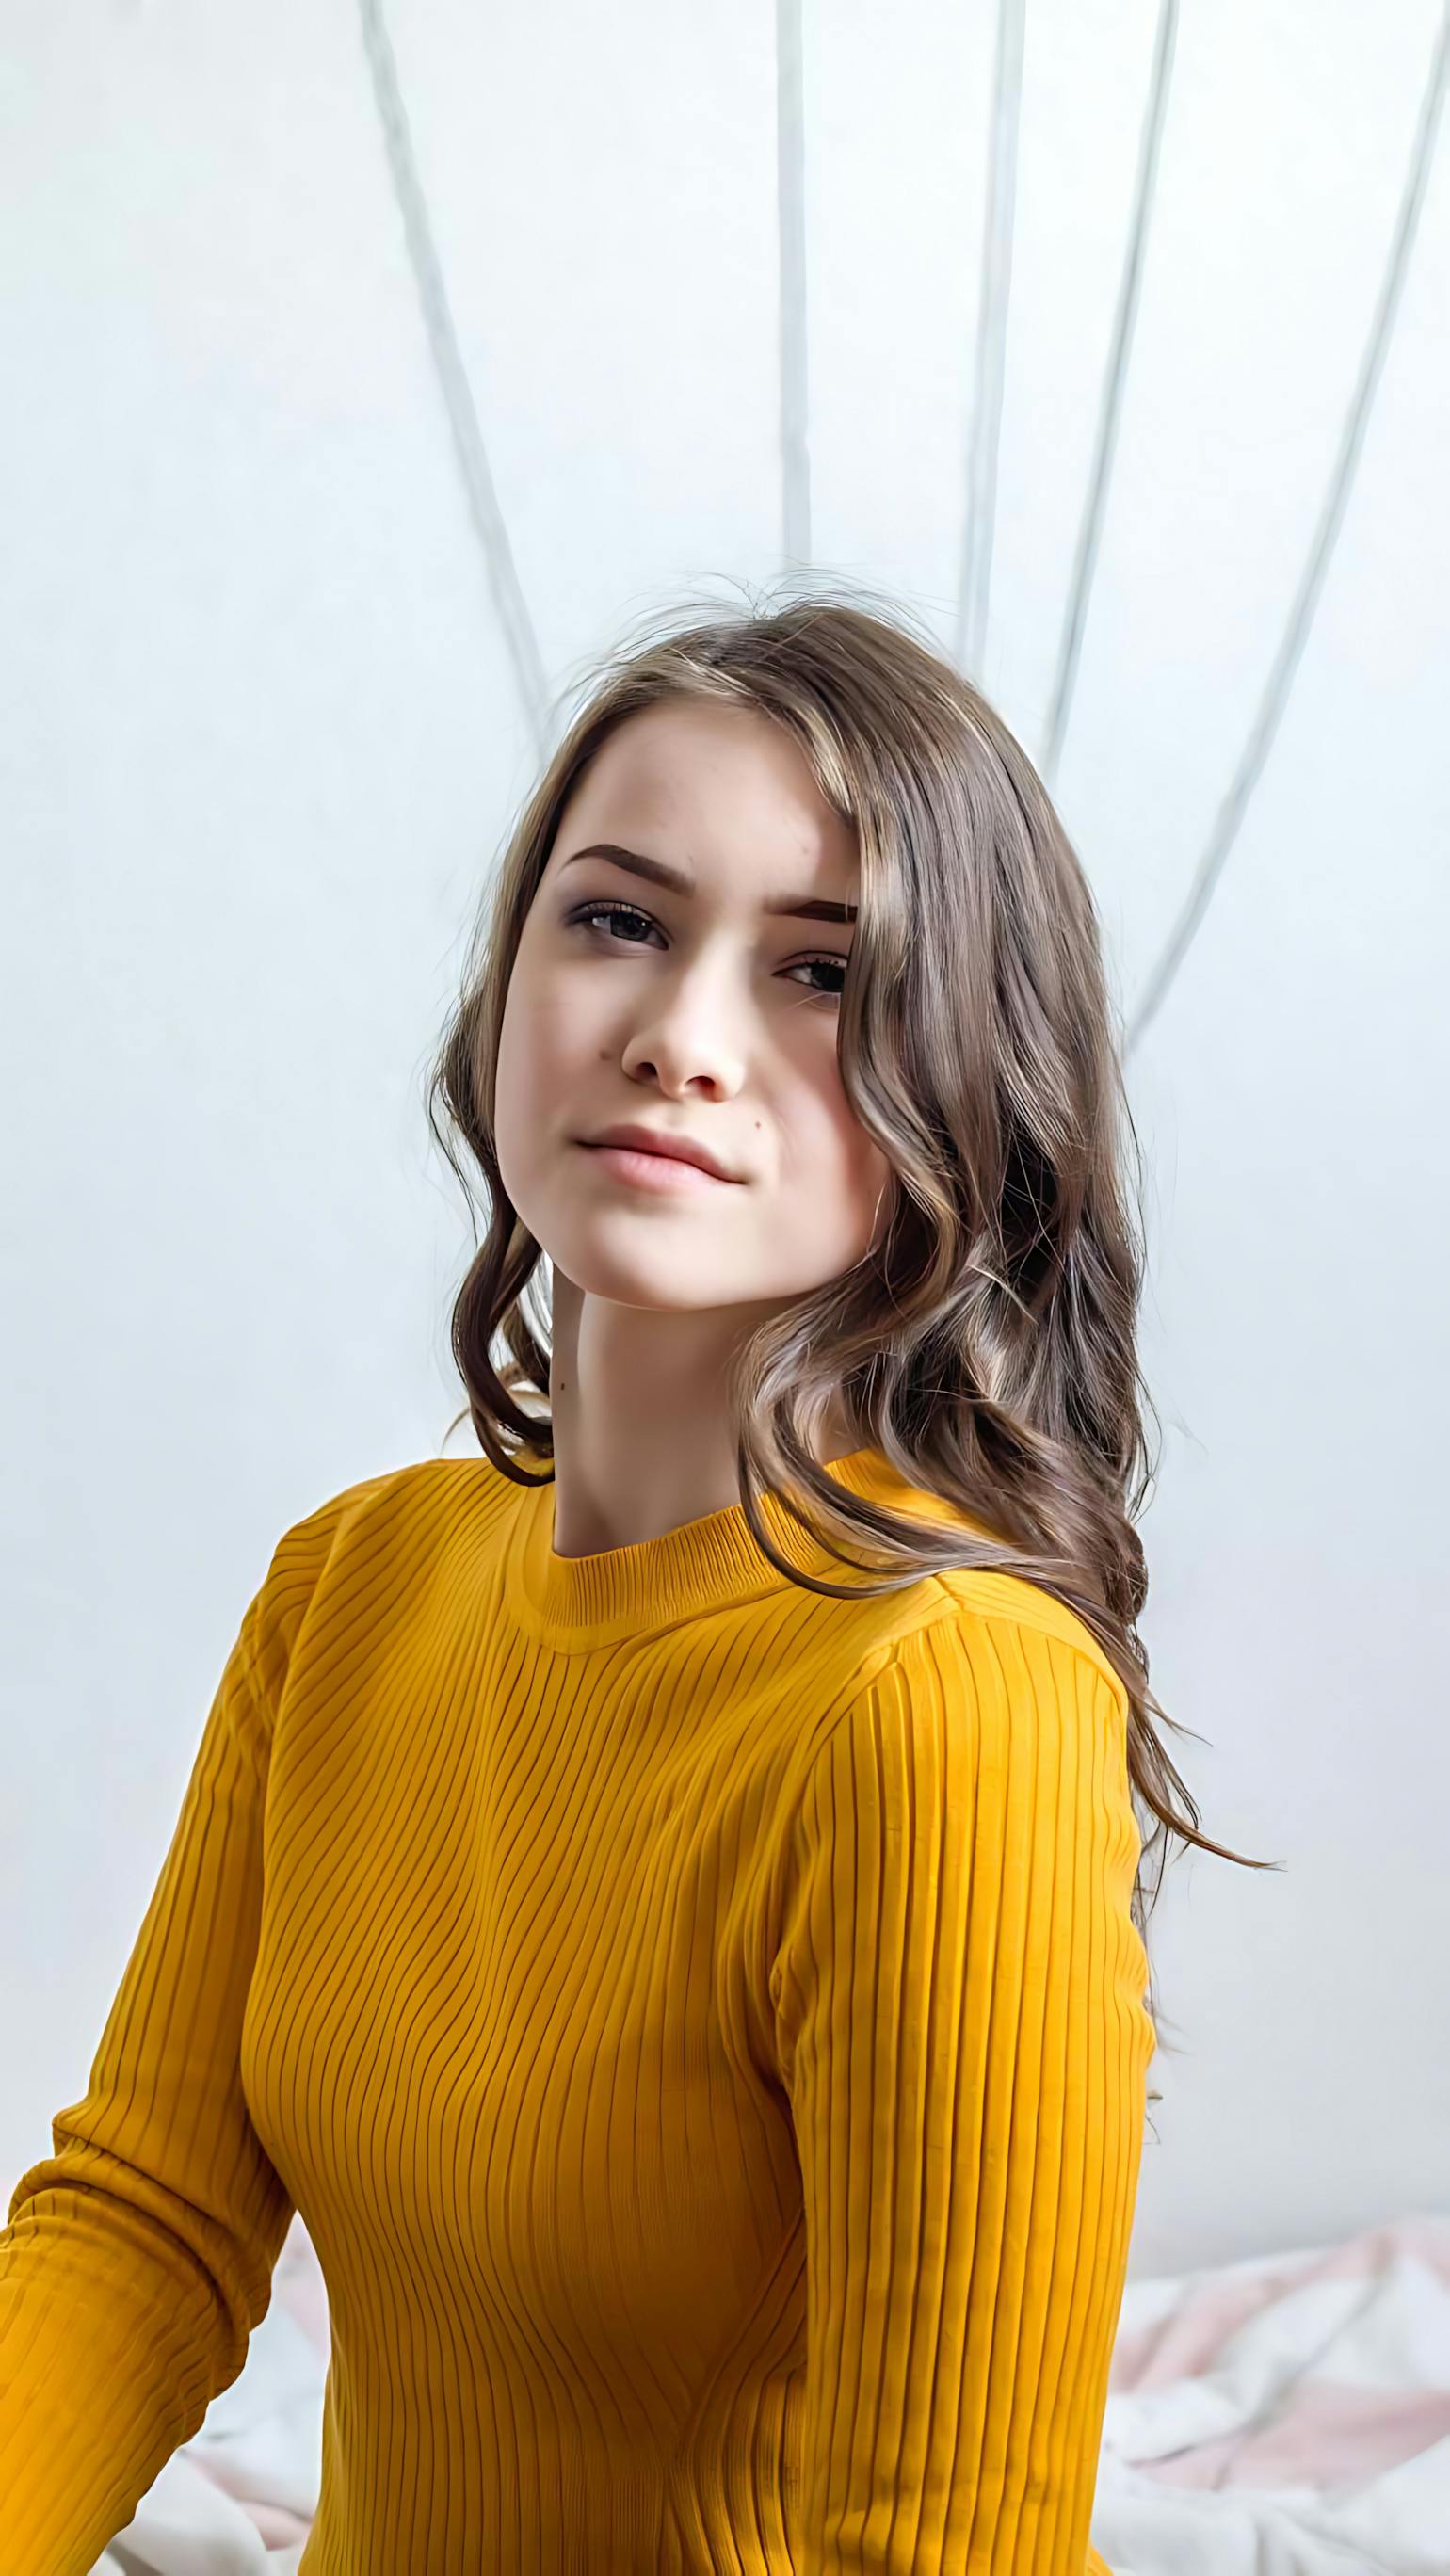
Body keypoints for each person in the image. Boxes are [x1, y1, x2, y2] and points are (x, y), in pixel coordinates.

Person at [0, 588, 1267, 2572]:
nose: (680, 1038)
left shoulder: (945, 1702)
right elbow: (146, 2224)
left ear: (970, 1084)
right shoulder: (349, 1587)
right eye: (618, 920)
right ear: (505, 981)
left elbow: (934, 2553)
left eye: (823, 974)